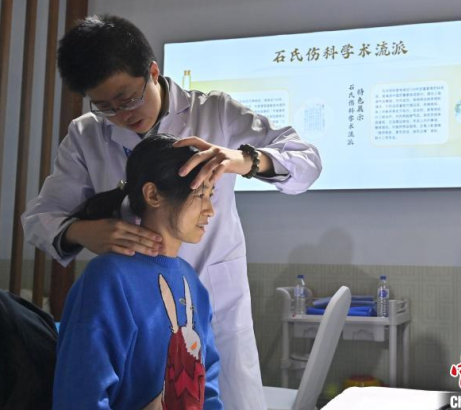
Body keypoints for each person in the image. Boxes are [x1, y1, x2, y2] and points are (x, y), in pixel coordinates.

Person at [22, 14, 321, 410]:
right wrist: (84, 232)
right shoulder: (86, 135)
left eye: (128, 98)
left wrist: (247, 160)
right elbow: (40, 219)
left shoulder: (215, 112)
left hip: (210, 295)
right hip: (137, 305)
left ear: (152, 72)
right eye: (105, 106)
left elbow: (307, 161)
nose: (122, 114)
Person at [53, 134, 223, 409]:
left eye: (211, 194)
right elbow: (81, 394)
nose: (210, 210)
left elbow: (207, 387)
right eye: (200, 194)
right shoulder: (108, 279)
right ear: (153, 195)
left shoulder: (192, 282)